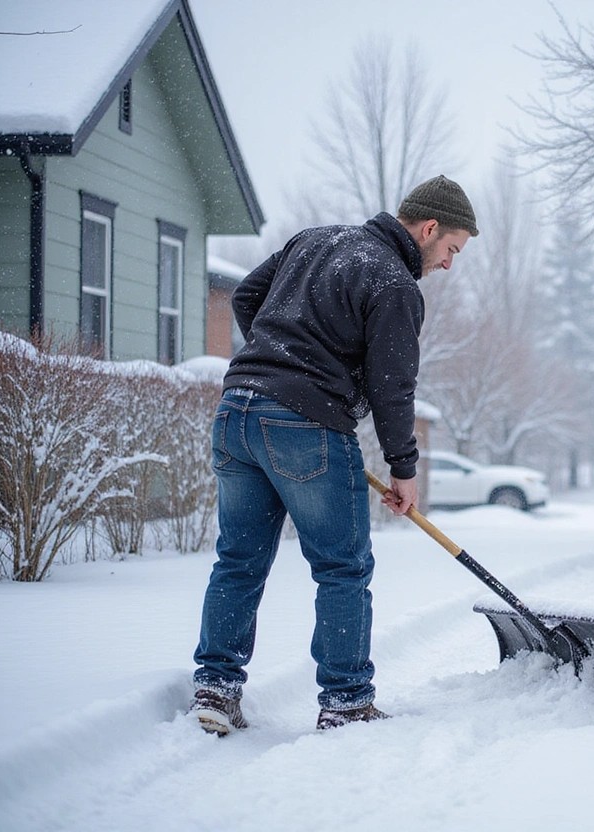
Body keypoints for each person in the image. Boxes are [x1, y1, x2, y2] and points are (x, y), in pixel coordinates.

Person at [189, 175, 478, 734]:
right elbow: (394, 386)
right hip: (306, 427)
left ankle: (216, 690)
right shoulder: (394, 283)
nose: (447, 264)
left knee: (239, 561)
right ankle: (347, 702)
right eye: (451, 250)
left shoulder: (315, 239)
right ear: (430, 227)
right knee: (343, 569)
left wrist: (279, 358)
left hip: (235, 414)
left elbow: (246, 296)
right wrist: (403, 470)